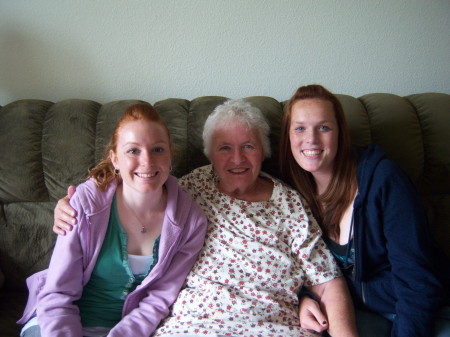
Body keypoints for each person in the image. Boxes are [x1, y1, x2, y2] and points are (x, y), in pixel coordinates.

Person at [52, 99, 359, 336]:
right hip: (193, 327)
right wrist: (70, 203)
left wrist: (308, 300)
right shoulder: (188, 191)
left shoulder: (289, 204)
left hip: (274, 326)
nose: (237, 159)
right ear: (210, 153)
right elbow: (133, 183)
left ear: (263, 150)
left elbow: (328, 282)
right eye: (225, 147)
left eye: (248, 146)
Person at [18, 103, 208, 337]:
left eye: (158, 149)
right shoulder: (84, 205)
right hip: (55, 324)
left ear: (170, 156)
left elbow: (158, 299)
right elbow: (57, 294)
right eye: (133, 151)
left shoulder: (191, 221)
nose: (147, 161)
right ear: (115, 159)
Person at [279, 84, 450, 337]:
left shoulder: (383, 180)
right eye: (300, 128)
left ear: (340, 133)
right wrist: (304, 298)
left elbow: (417, 282)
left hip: (422, 311)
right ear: (288, 137)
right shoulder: (288, 194)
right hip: (358, 314)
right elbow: (292, 268)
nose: (311, 139)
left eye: (324, 127)